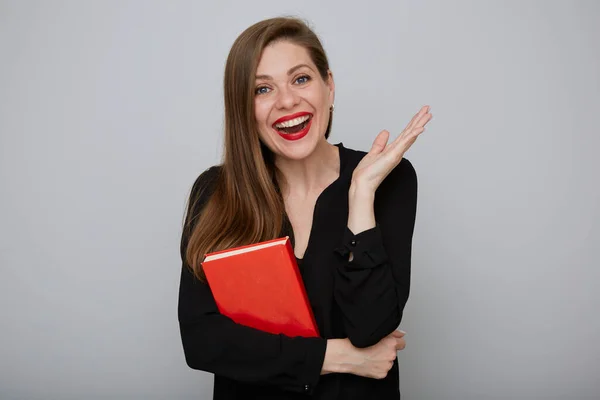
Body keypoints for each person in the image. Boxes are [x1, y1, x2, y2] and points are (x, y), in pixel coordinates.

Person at [178, 16, 432, 400]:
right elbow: (202, 340)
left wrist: (361, 195)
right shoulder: (215, 192)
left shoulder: (387, 181)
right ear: (244, 109)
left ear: (328, 86)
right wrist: (334, 356)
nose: (286, 101)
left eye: (300, 79)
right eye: (262, 89)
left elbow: (371, 326)